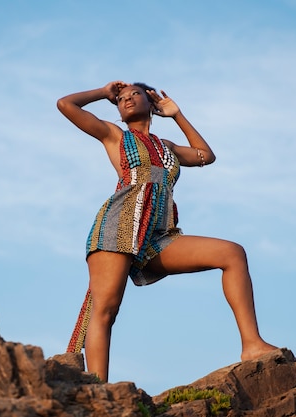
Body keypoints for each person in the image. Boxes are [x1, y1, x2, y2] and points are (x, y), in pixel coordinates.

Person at [57, 81, 277, 382]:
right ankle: (100, 390)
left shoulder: (167, 147)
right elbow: (65, 105)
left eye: (135, 94)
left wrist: (176, 115)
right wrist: (104, 92)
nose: (128, 100)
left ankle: (252, 345)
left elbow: (205, 155)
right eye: (121, 99)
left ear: (151, 103)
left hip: (157, 235)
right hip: (118, 227)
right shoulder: (115, 135)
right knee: (106, 310)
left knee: (232, 253)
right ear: (118, 112)